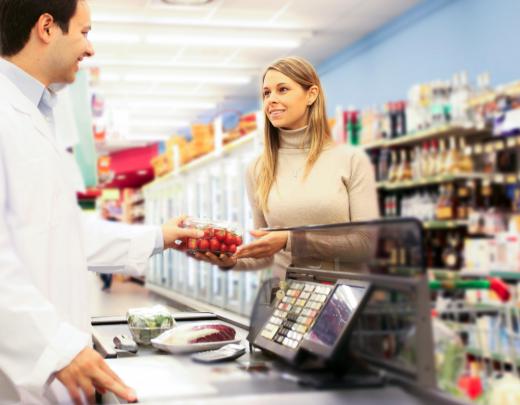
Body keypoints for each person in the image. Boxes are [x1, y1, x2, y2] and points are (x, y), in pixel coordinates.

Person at [0, 1, 202, 404]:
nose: (90, 49)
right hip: (20, 373)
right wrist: (54, 347)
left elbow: (60, 232)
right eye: (85, 32)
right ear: (46, 28)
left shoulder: (37, 116)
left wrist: (159, 236)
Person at [193, 56, 379, 277]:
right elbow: (266, 252)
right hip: (286, 301)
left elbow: (367, 244)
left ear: (311, 95)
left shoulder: (350, 160)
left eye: (282, 90)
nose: (271, 100)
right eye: (266, 93)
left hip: (342, 301)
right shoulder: (258, 168)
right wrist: (230, 260)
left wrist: (290, 240)